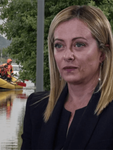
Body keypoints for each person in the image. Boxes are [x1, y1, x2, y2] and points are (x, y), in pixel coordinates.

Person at [21, 5, 113, 150]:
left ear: (102, 53)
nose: (67, 55)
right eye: (59, 45)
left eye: (79, 44)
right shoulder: (36, 106)